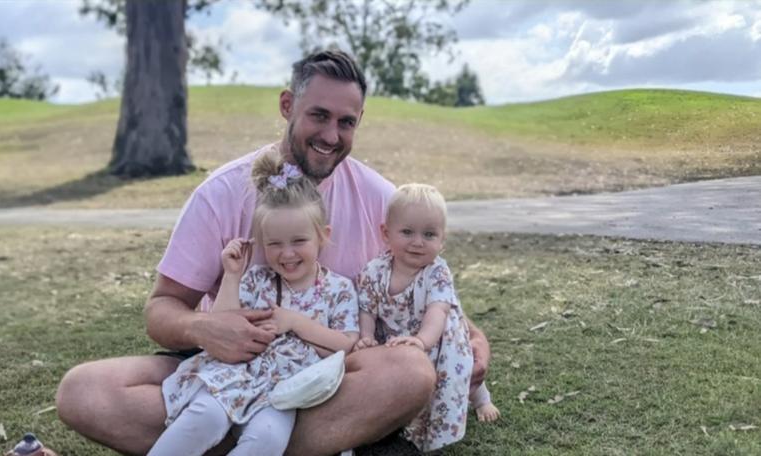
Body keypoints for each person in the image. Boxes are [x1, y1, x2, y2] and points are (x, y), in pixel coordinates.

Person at [55, 50, 490, 456]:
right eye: (319, 115)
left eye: (346, 122)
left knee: (410, 372)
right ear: (287, 106)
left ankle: (235, 438)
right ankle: (273, 436)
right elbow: (161, 310)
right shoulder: (220, 194)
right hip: (227, 369)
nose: (331, 135)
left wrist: (472, 334)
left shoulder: (382, 199)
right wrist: (206, 329)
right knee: (83, 391)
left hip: (327, 376)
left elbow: (422, 277)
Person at [148, 150, 359, 456]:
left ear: (322, 236)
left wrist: (294, 322)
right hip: (236, 376)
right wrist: (232, 275)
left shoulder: (338, 289)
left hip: (285, 391)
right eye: (275, 244)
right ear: (262, 242)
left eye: (299, 241)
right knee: (204, 417)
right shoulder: (258, 279)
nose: (287, 254)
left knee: (268, 439)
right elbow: (217, 327)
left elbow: (346, 345)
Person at [354, 184, 500, 452]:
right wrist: (365, 336)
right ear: (386, 234)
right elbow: (367, 308)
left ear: (442, 241)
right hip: (396, 336)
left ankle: (481, 398)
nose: (418, 242)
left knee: (457, 368)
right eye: (407, 232)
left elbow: (437, 312)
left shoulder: (436, 272)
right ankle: (407, 420)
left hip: (437, 336)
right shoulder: (374, 271)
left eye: (429, 234)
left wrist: (422, 341)